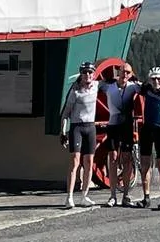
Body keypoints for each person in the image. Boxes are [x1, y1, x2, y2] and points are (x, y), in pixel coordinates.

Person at [98, 62, 140, 207]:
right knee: (113, 158)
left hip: (127, 126)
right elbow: (92, 85)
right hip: (113, 126)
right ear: (118, 72)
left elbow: (150, 89)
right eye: (123, 71)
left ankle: (126, 195)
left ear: (131, 74)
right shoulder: (108, 86)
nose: (125, 74)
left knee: (127, 159)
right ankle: (113, 196)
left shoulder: (134, 87)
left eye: (128, 72)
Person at [134, 65, 160, 211]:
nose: (156, 81)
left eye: (159, 79)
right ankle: (146, 197)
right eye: (153, 79)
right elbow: (136, 85)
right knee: (145, 165)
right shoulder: (147, 89)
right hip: (147, 130)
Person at [59, 60, 99, 208]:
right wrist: (63, 132)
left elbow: (114, 84)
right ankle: (69, 197)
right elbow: (65, 114)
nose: (87, 75)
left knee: (89, 162)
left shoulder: (97, 86)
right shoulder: (75, 91)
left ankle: (84, 196)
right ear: (81, 74)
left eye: (90, 72)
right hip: (77, 127)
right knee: (75, 161)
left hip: (90, 127)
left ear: (93, 74)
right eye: (84, 72)